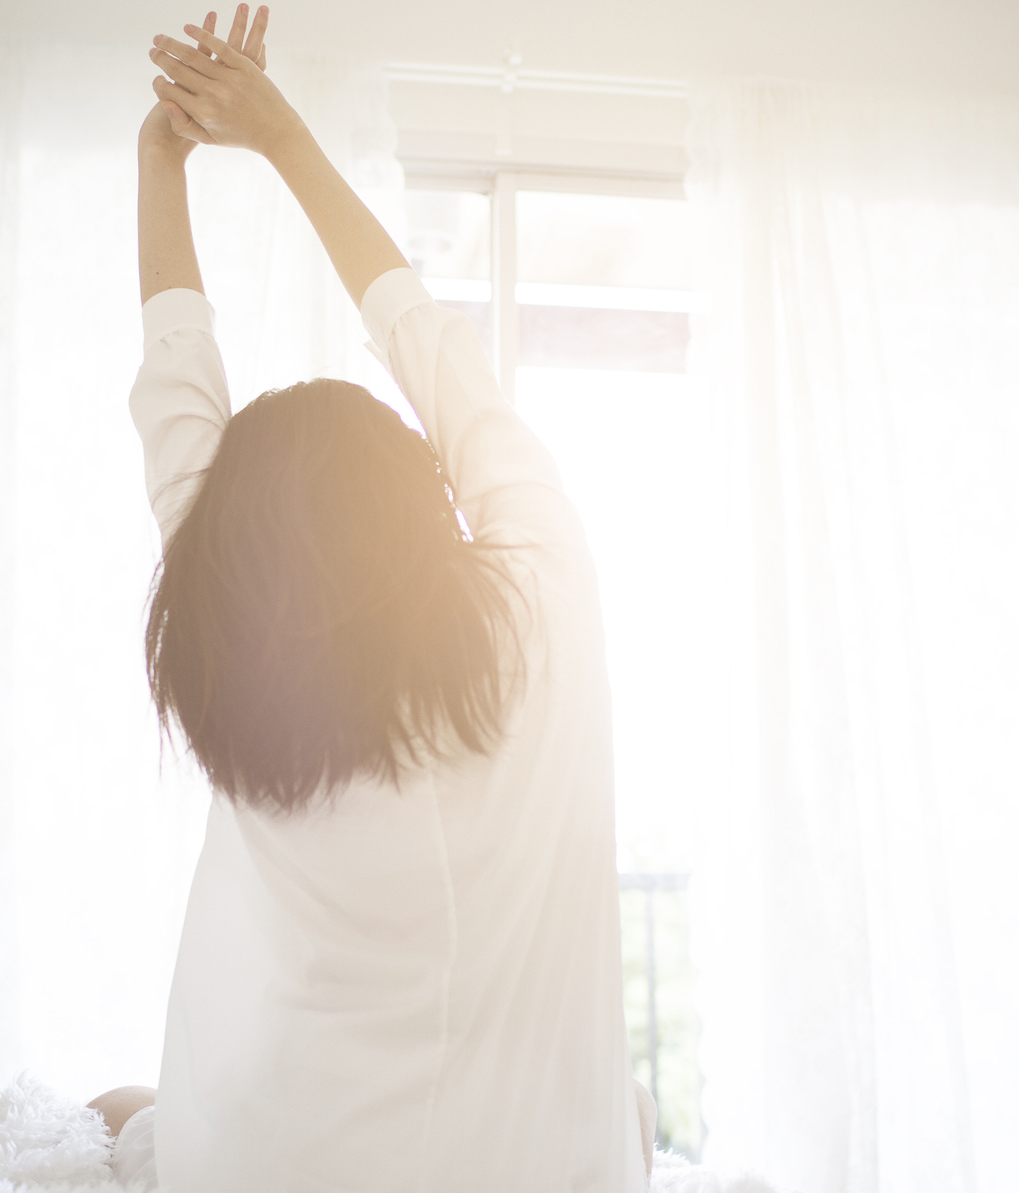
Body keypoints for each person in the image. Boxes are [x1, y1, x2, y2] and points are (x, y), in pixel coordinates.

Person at [96, 7, 653, 1189]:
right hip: (541, 1169)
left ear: (234, 558)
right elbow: (430, 345)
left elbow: (176, 396)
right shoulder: (543, 606)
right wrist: (283, 138)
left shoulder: (237, 655)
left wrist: (162, 160)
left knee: (115, 1108)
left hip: (279, 1163)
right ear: (428, 503)